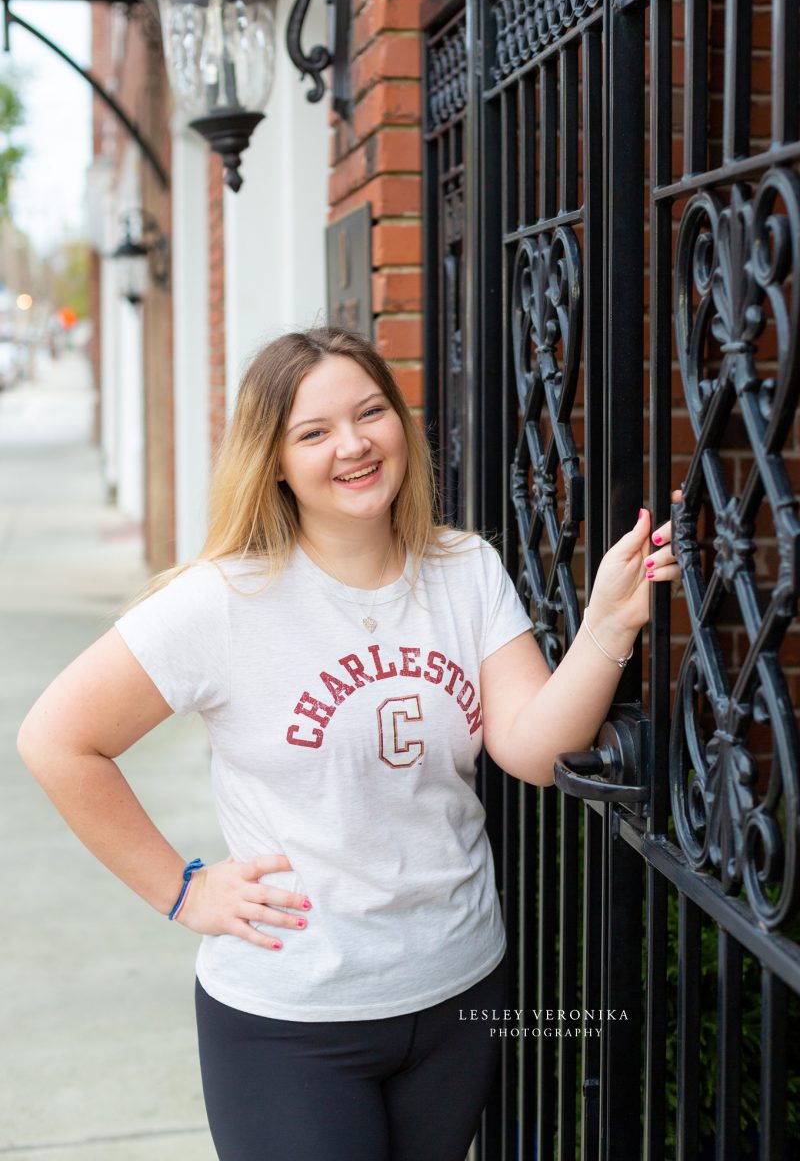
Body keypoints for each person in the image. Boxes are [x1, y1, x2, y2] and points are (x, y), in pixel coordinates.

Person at [17, 326, 680, 1161]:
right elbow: (56, 739)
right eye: (315, 431)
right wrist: (182, 892)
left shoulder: (463, 570)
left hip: (457, 992)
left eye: (371, 413)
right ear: (276, 461)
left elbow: (531, 752)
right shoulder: (224, 602)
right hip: (291, 1020)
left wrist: (608, 624)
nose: (355, 444)